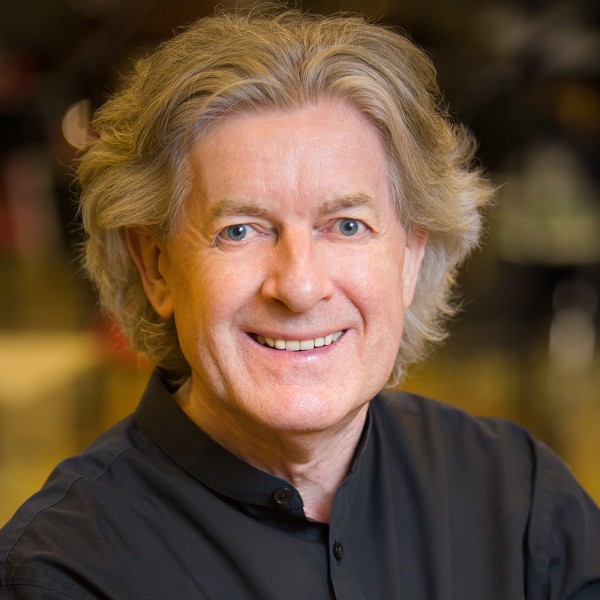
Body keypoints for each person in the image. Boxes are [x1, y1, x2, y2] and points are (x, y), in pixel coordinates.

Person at [1, 7, 599, 599]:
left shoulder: (523, 501)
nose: (299, 286)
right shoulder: (63, 573)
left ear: (410, 256)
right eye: (240, 230)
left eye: (347, 226)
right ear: (157, 268)